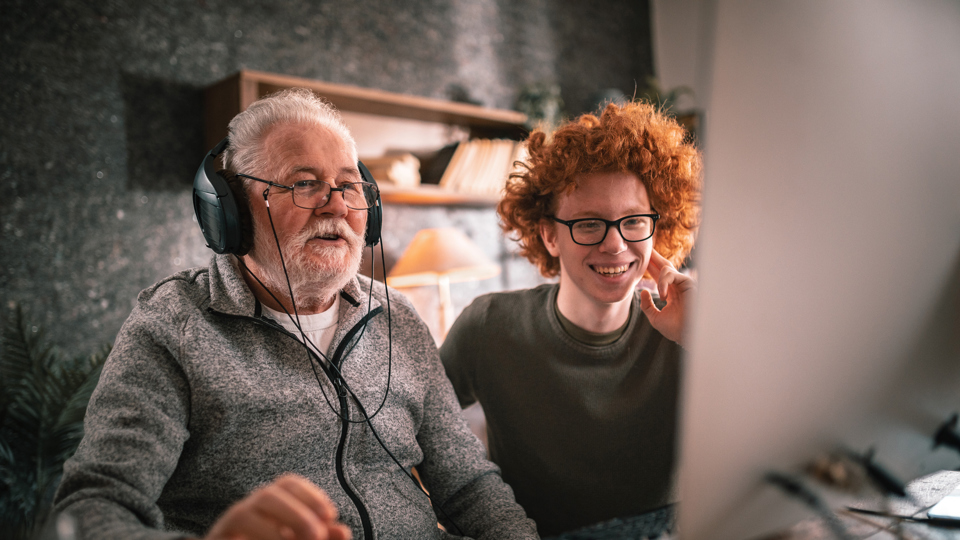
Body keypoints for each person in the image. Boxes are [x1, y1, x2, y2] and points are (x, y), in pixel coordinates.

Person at [53, 88, 538, 540]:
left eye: (349, 186)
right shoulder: (172, 326)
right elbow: (94, 509)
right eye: (304, 184)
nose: (336, 206)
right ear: (231, 212)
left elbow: (468, 485)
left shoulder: (398, 317)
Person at [440, 101, 702, 537]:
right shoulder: (488, 326)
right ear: (549, 235)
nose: (616, 245)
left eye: (633, 221)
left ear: (656, 227)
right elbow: (412, 430)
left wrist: (703, 339)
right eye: (588, 224)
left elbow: (776, 439)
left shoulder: (684, 326)